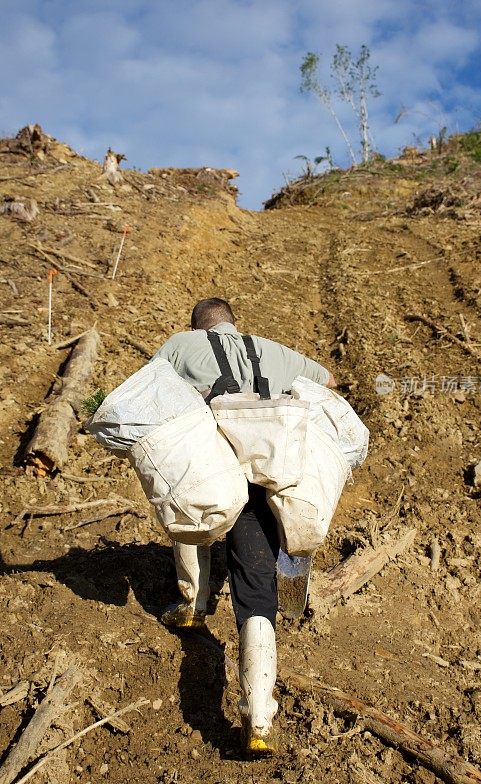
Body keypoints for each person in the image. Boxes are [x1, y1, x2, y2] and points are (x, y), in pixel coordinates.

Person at [151, 297, 336, 756]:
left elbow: (151, 397)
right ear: (236, 325)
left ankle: (192, 603)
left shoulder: (180, 345)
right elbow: (329, 383)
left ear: (194, 327)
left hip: (214, 469)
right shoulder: (270, 348)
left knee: (189, 513)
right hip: (267, 474)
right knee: (256, 590)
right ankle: (258, 718)